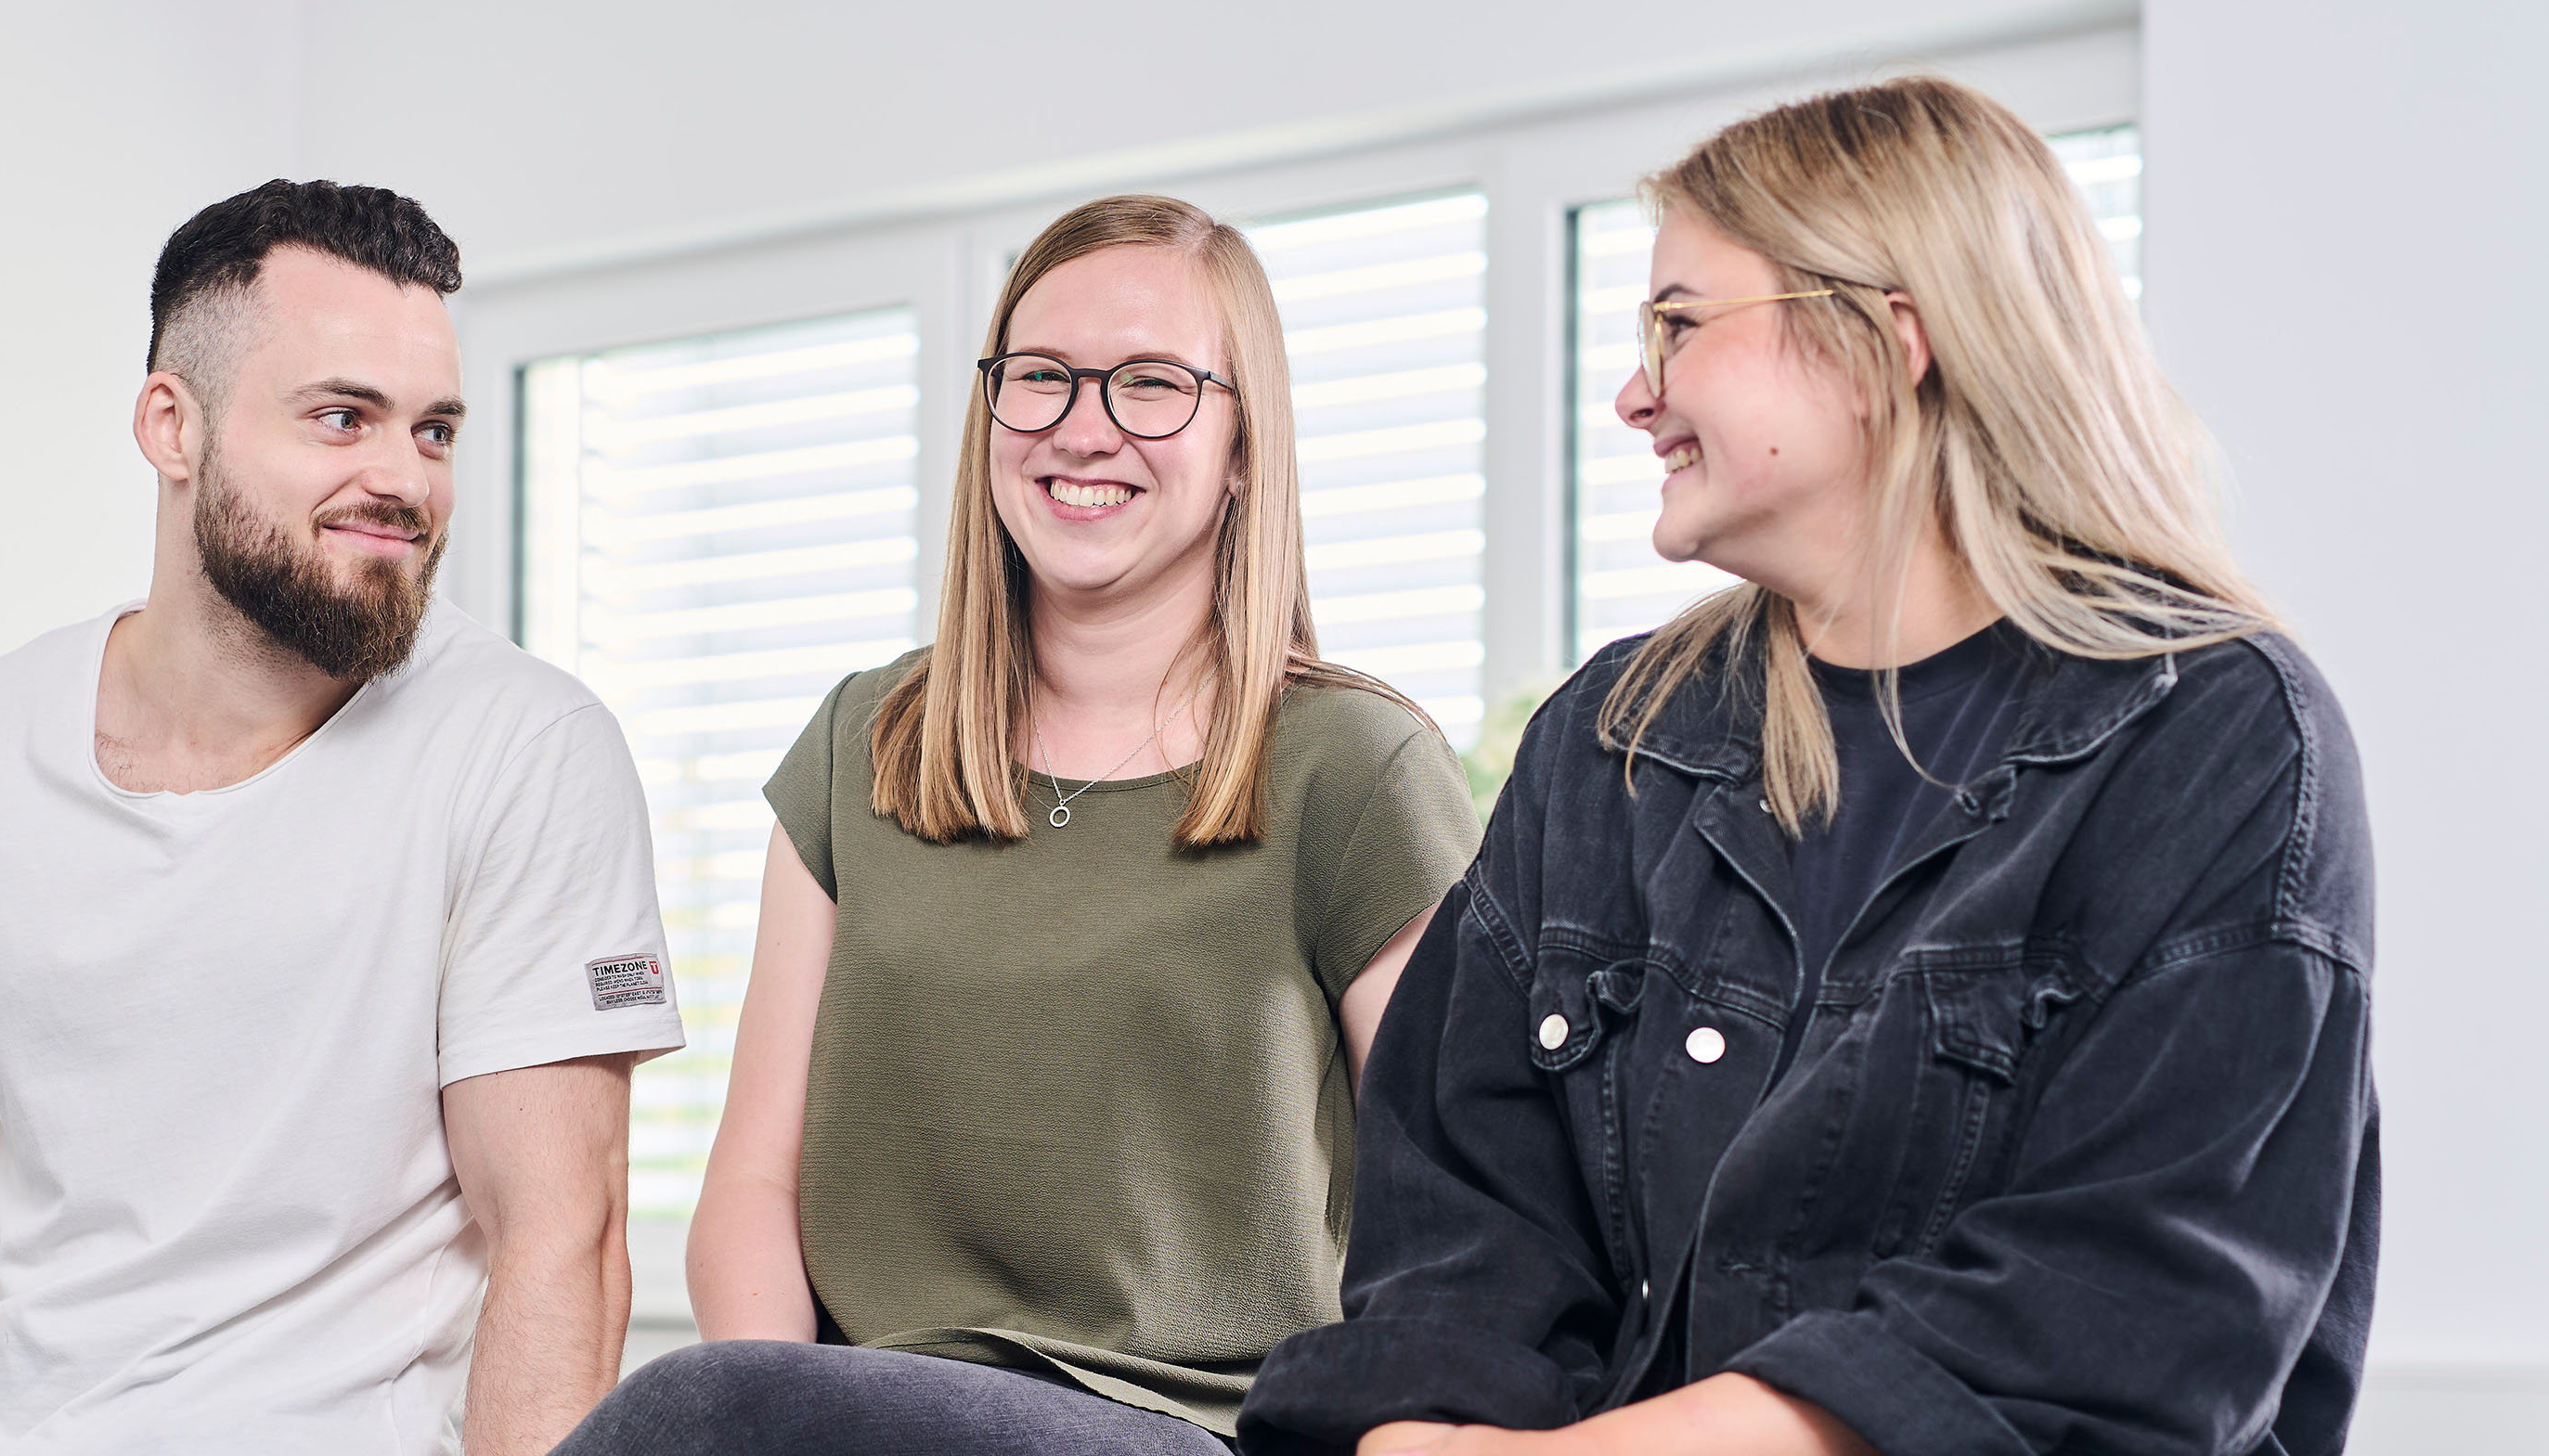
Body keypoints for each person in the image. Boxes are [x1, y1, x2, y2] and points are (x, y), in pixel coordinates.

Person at [1238, 77, 2376, 1456]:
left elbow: (2124, 1307)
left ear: (1884, 340)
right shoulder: (1610, 739)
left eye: (1679, 323)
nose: (1632, 394)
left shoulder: (2214, 737)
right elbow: (1458, 1240)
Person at [553, 195, 1483, 1456]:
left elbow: (1461, 1227)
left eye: (1150, 385)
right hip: (853, 1415)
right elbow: (753, 1190)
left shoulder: (1355, 772)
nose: (1080, 429)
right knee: (709, 1402)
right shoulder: (863, 744)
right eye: (1040, 378)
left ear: (1245, 445)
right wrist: (772, 1409)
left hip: (1186, 1428)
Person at [0, 180, 683, 1456]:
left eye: (434, 433)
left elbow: (564, 1239)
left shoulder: (526, 751)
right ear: (174, 425)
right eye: (343, 418)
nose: (403, 479)